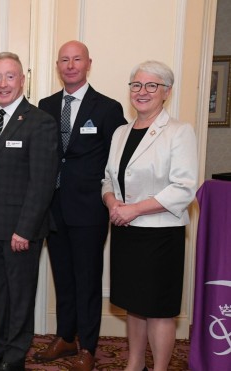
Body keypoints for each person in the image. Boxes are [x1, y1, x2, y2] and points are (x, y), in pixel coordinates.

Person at [33, 40, 127, 371]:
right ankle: (66, 336)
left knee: (87, 278)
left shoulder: (107, 108)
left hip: (89, 209)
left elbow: (117, 162)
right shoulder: (44, 105)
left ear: (89, 64)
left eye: (77, 60)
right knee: (63, 276)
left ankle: (88, 345)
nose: (70, 65)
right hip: (52, 208)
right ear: (58, 66)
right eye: (64, 60)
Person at [102, 61, 197, 371]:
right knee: (134, 304)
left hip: (160, 234)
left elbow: (183, 188)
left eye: (151, 85)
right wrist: (112, 201)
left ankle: (159, 368)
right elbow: (107, 179)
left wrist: (134, 209)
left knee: (158, 309)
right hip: (126, 231)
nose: (142, 92)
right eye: (136, 85)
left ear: (166, 92)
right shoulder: (120, 132)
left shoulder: (179, 132)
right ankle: (134, 364)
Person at [0, 52, 58, 371]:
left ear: (23, 80)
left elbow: (43, 182)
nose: (3, 83)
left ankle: (16, 354)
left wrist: (25, 228)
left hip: (21, 229)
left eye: (10, 76)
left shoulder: (40, 122)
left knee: (20, 293)